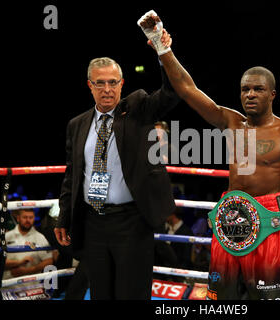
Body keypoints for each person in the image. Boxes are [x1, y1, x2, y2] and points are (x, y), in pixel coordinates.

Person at [138, 11, 280, 300]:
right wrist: (163, 48)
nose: (250, 94)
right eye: (245, 89)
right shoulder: (232, 122)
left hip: (269, 226)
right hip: (230, 220)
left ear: (272, 94)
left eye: (258, 89)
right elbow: (188, 90)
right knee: (222, 299)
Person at [54, 52, 180, 299]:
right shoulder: (77, 124)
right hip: (93, 223)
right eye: (100, 83)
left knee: (131, 294)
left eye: (113, 82)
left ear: (122, 84)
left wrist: (162, 53)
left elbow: (171, 92)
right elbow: (73, 175)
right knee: (101, 293)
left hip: (132, 222)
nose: (107, 89)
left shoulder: (138, 111)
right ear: (90, 85)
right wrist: (64, 217)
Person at [2, 209, 54, 280]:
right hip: (8, 284)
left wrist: (27, 271)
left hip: (32, 285)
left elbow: (48, 260)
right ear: (18, 218)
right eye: (25, 217)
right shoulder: (7, 236)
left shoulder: (40, 237)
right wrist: (19, 263)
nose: (28, 220)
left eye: (31, 217)